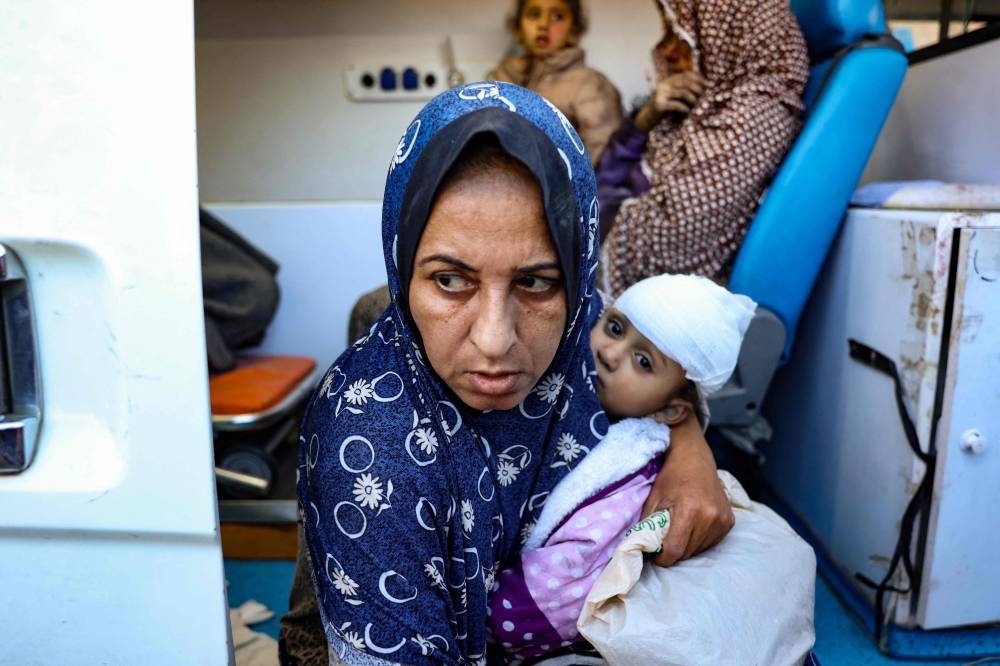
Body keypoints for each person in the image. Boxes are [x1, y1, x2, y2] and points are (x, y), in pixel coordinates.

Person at [280, 82, 733, 665]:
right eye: (450, 280)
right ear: (403, 266)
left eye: (536, 282)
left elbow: (658, 380)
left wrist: (689, 449)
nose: (495, 340)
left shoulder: (589, 330)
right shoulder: (369, 446)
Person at [488, 273, 756, 660]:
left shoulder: (628, 480)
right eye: (614, 327)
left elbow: (561, 589)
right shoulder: (572, 368)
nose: (610, 354)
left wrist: (486, 620)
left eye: (643, 361)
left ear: (670, 410)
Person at [598, 0, 810, 296]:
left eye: (684, 33)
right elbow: (601, 180)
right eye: (669, 32)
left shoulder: (751, 117)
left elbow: (666, 244)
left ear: (726, 35)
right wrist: (645, 119)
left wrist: (599, 217)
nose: (668, 51)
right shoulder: (701, 112)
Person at [489, 0, 623, 167]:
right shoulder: (503, 78)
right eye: (534, 14)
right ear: (519, 28)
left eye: (557, 16)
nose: (543, 24)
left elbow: (603, 159)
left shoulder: (590, 85)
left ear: (574, 30)